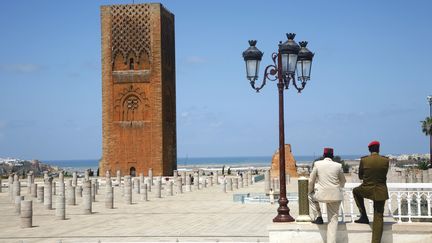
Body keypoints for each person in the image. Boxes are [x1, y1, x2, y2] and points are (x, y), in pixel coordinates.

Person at [353, 140, 389, 243]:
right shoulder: (385, 160)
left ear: (369, 149)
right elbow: (384, 174)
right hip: (381, 190)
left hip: (367, 189)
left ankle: (363, 215)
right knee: (378, 217)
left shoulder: (364, 160)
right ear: (379, 149)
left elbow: (360, 176)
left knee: (356, 191)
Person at [308, 148, 346, 243]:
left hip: (321, 195)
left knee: (310, 196)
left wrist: (311, 191)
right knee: (333, 221)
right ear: (332, 156)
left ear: (323, 155)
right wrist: (338, 189)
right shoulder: (338, 165)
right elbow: (343, 181)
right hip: (335, 196)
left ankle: (318, 216)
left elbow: (311, 181)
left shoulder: (317, 164)